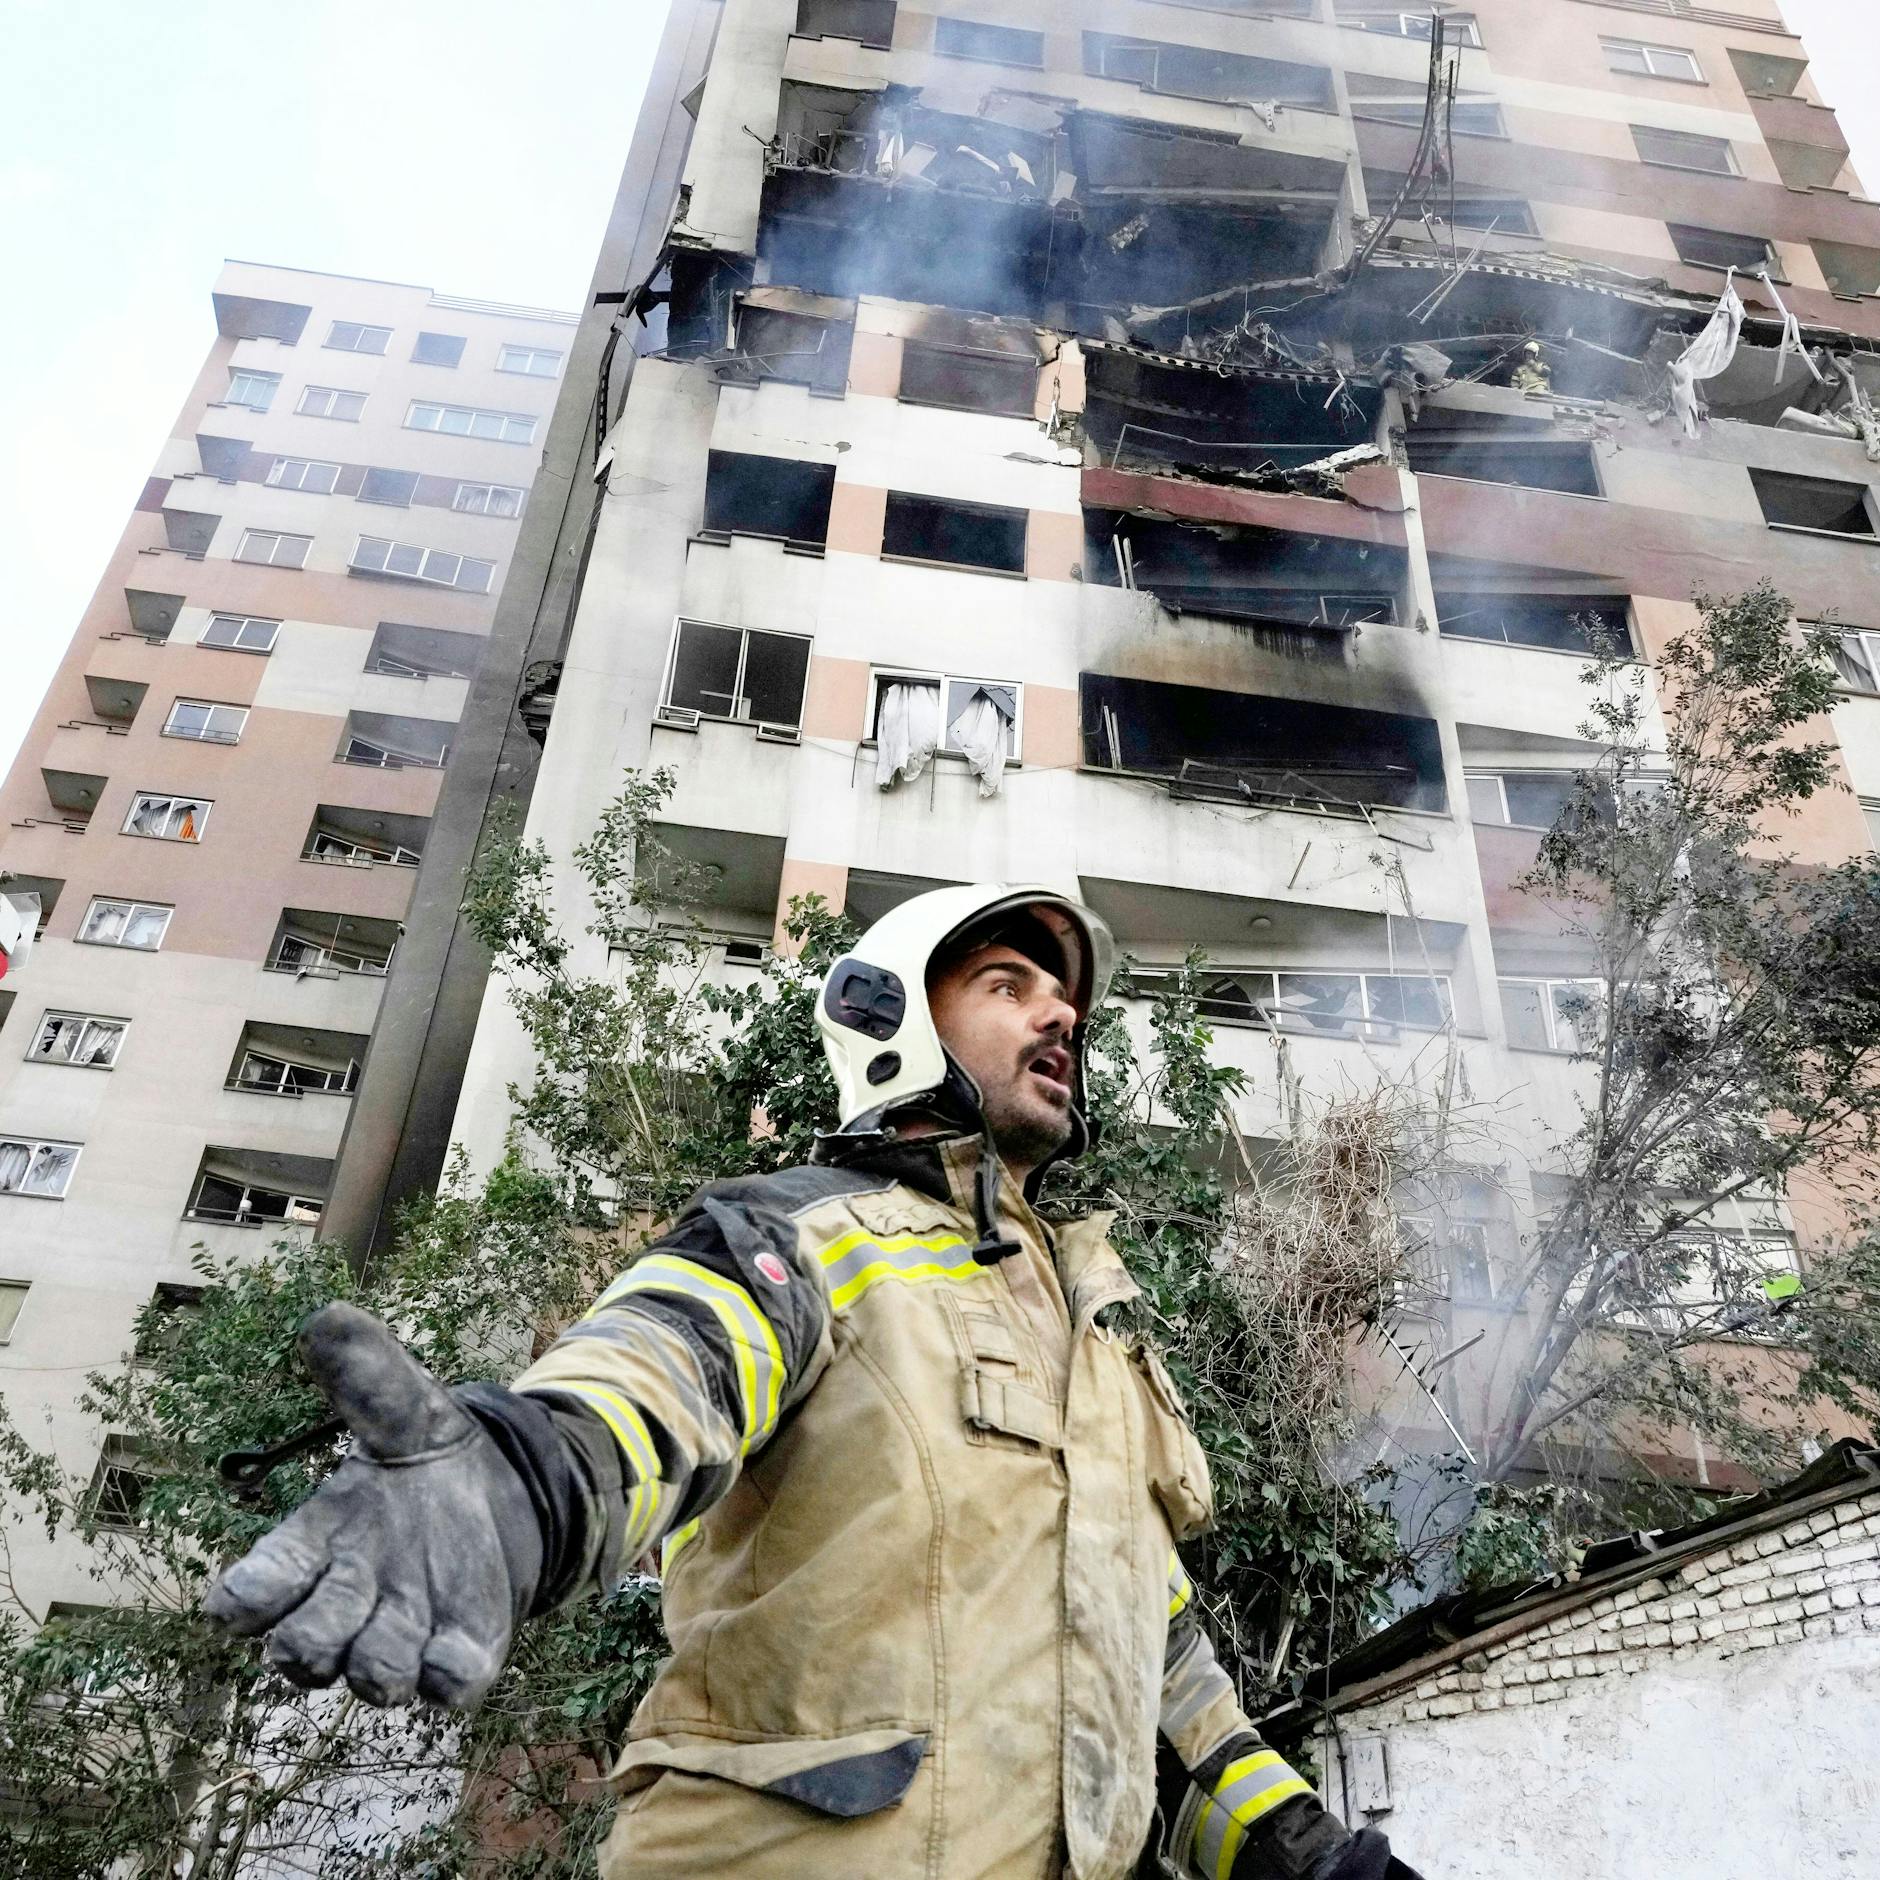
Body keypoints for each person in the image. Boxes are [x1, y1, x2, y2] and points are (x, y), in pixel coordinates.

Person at [206, 884, 1426, 1880]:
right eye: (1007, 987)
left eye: (1066, 1003)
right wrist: (520, 1477)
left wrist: (1302, 1853)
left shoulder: (1099, 1334)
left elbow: (1155, 1666)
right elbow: (665, 1368)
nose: (1058, 1019)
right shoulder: (808, 1233)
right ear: (891, 1017)